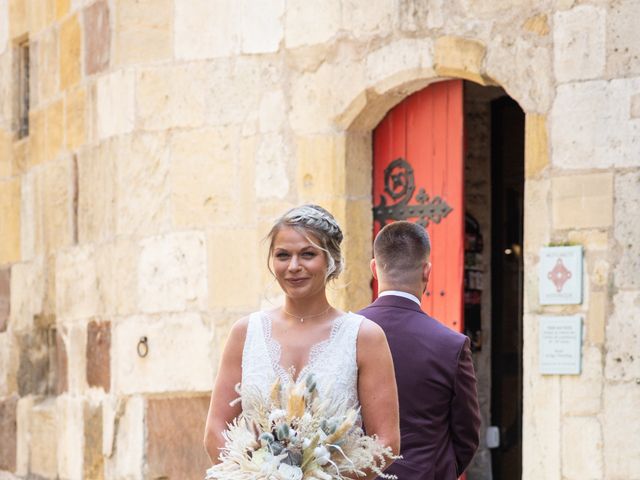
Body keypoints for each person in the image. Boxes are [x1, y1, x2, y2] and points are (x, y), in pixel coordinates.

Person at [204, 204, 400, 478]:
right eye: (283, 255)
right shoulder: (245, 333)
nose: (294, 267)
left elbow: (386, 441)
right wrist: (252, 474)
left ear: (331, 260)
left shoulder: (364, 337)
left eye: (307, 255)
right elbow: (215, 430)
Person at [359, 221, 481, 480]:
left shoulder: (344, 333)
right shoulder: (451, 345)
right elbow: (467, 436)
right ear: (427, 271)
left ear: (374, 269)